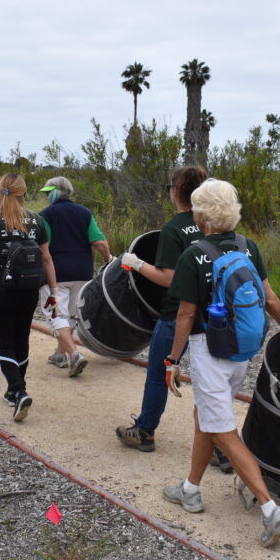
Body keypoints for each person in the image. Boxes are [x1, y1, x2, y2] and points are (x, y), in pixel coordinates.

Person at [161, 178, 280, 548]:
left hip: (208, 350)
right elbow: (269, 298)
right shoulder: (248, 246)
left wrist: (171, 360)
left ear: (203, 214)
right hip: (241, 351)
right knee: (206, 417)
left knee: (222, 428)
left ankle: (271, 510)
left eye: (196, 207)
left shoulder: (193, 254)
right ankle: (190, 490)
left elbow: (185, 314)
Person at [116, 166, 207, 452]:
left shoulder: (173, 228)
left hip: (176, 314)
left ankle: (144, 431)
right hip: (211, 315)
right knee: (210, 382)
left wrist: (137, 264)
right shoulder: (211, 223)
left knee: (159, 372)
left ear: (177, 191)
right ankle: (219, 447)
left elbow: (169, 278)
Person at [0, 173, 58, 422]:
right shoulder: (37, 221)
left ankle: (19, 391)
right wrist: (53, 292)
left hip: (2, 290)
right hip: (29, 290)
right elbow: (47, 258)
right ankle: (14, 389)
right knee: (21, 339)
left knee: (3, 342)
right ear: (24, 192)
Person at [37, 176, 112, 378]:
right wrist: (108, 259)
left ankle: (74, 354)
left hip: (55, 274)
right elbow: (100, 243)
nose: (46, 198)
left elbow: (42, 249)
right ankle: (59, 354)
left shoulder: (45, 215)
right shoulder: (85, 213)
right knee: (71, 315)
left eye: (47, 193)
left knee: (55, 315)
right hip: (82, 272)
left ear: (54, 192)